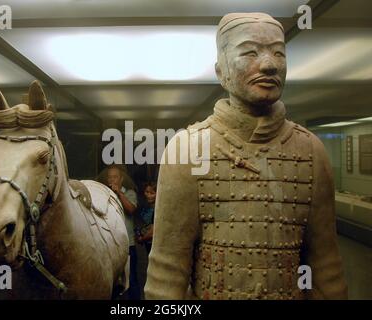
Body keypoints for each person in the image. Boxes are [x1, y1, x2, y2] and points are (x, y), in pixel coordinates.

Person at [145, 13, 348, 300]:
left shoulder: (311, 150)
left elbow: (326, 268)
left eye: (279, 52)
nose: (269, 64)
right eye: (250, 52)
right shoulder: (187, 150)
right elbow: (167, 272)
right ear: (221, 72)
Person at [105, 165, 139, 299]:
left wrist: (119, 193)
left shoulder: (130, 193)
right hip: (111, 246)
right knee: (112, 281)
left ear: (121, 179)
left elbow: (131, 209)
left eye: (115, 177)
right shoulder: (105, 195)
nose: (112, 179)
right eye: (110, 177)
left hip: (128, 246)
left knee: (131, 280)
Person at [136, 182, 156, 254]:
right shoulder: (145, 207)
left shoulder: (158, 209)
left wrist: (142, 239)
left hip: (154, 244)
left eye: (152, 193)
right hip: (147, 243)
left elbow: (153, 232)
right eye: (147, 192)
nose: (148, 195)